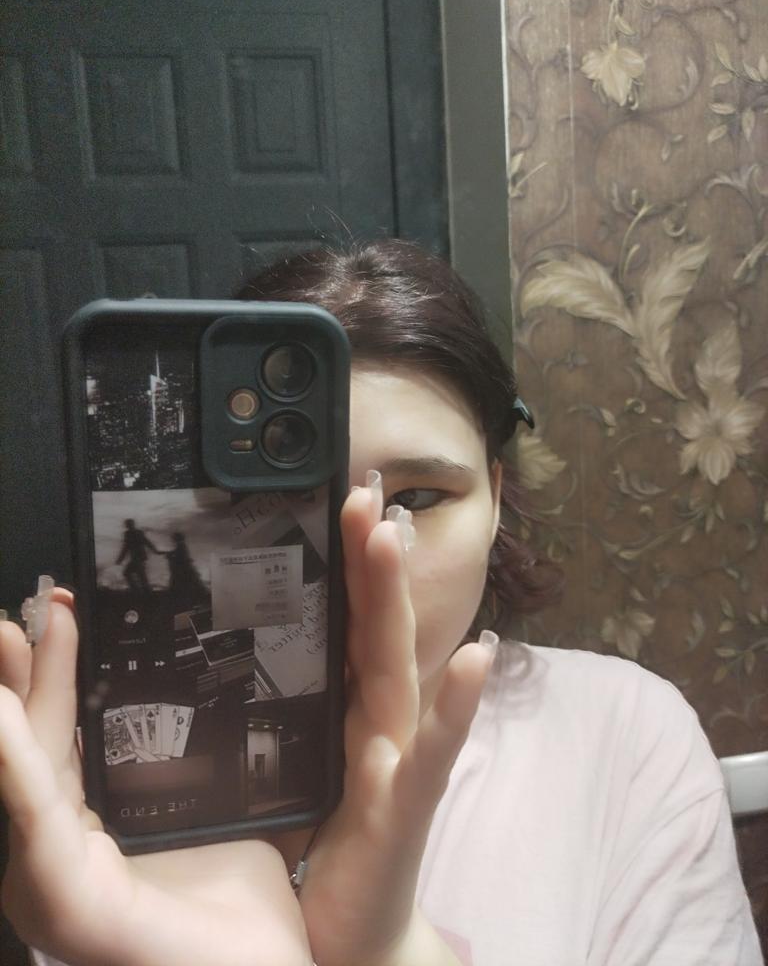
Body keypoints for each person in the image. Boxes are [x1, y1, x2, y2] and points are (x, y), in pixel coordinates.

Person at [0, 240, 762, 966]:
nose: (366, 564)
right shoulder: (107, 798)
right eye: (286, 507)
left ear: (496, 498)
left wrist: (387, 950)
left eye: (417, 498)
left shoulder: (623, 739)